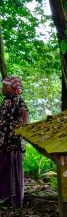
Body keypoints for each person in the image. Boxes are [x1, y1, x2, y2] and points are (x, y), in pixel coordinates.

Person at [0, 76, 29, 208]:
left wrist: (22, 133)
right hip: (3, 142)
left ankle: (16, 200)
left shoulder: (19, 101)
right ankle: (5, 197)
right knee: (3, 168)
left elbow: (25, 116)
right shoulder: (5, 101)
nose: (2, 88)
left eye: (4, 86)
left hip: (14, 142)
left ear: (12, 89)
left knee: (14, 169)